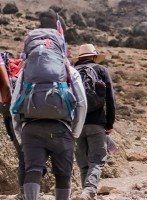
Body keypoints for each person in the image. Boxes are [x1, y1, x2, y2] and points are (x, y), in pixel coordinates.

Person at [11, 29, 87, 200]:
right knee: (63, 174)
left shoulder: (26, 71)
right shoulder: (67, 69)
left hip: (31, 128)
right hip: (62, 128)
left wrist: (20, 134)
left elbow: (14, 105)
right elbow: (82, 103)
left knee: (33, 170)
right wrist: (75, 132)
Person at [73, 44, 116, 199]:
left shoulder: (71, 72)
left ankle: (86, 191)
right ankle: (89, 190)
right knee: (97, 160)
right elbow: (110, 99)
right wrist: (109, 124)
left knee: (83, 162)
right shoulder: (101, 70)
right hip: (96, 123)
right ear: (94, 56)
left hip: (75, 125)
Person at [0, 53, 25, 199]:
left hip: (8, 110)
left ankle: (24, 192)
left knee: (22, 152)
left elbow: (6, 87)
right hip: (18, 110)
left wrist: (7, 104)